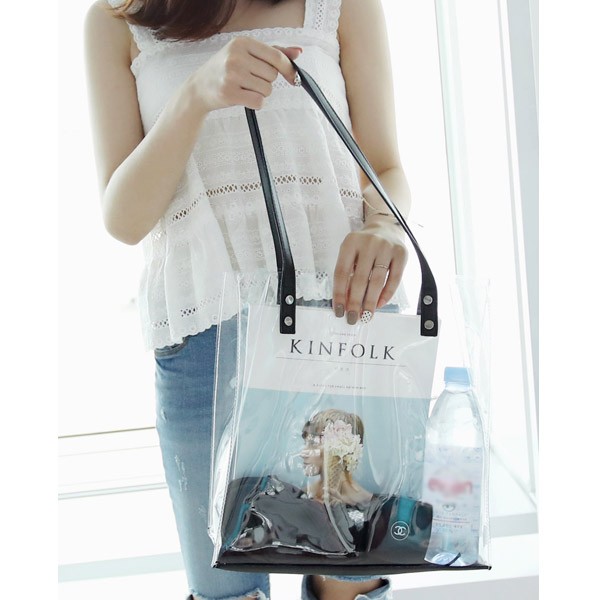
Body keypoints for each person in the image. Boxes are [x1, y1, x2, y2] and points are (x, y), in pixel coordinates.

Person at [84, 1, 411, 598]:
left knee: (349, 577)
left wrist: (386, 226)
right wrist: (196, 94)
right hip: (204, 340)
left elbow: (384, 166)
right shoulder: (119, 19)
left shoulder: (341, 6)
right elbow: (125, 220)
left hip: (341, 325)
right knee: (225, 588)